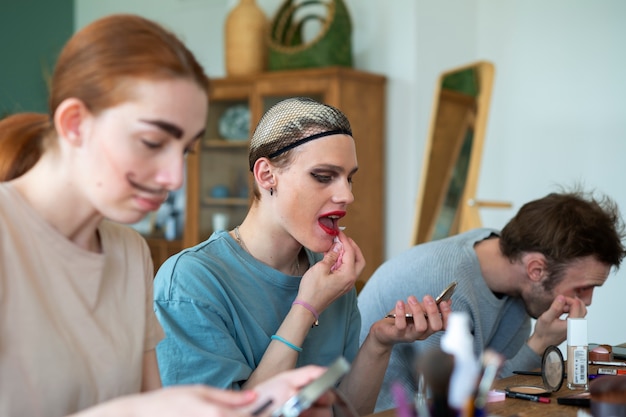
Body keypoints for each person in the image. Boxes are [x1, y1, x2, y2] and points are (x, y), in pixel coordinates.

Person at [0, 14, 338, 417]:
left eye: (185, 151)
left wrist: (257, 405)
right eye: (152, 141)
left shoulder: (128, 252)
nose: (174, 177)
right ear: (75, 124)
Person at [153, 97, 453, 415]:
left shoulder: (332, 277)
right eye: (323, 176)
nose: (347, 195)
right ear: (267, 175)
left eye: (349, 177)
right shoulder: (189, 283)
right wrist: (306, 309)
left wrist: (379, 342)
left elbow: (345, 412)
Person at [357, 190, 626, 411]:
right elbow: (463, 397)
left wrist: (539, 342)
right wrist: (540, 343)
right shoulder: (446, 284)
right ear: (535, 270)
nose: (587, 302)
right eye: (582, 288)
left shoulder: (511, 269)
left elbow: (494, 383)